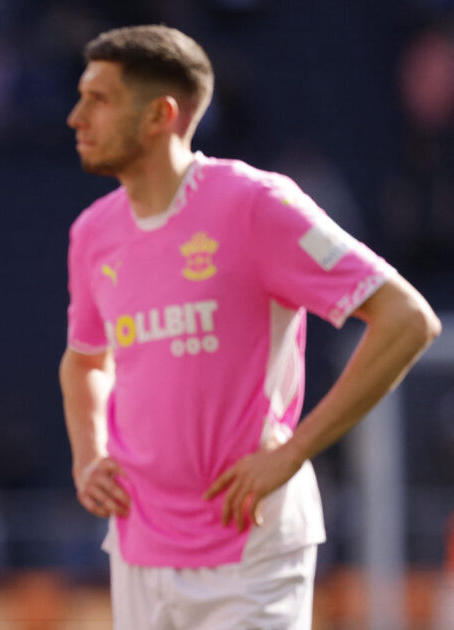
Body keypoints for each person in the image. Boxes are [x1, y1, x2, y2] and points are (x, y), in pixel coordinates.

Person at [60, 25, 441, 629]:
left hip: (251, 541)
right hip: (139, 543)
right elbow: (85, 360)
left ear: (160, 115)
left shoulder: (255, 204)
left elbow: (407, 319)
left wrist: (294, 451)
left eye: (99, 99)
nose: (77, 117)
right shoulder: (93, 233)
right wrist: (89, 457)